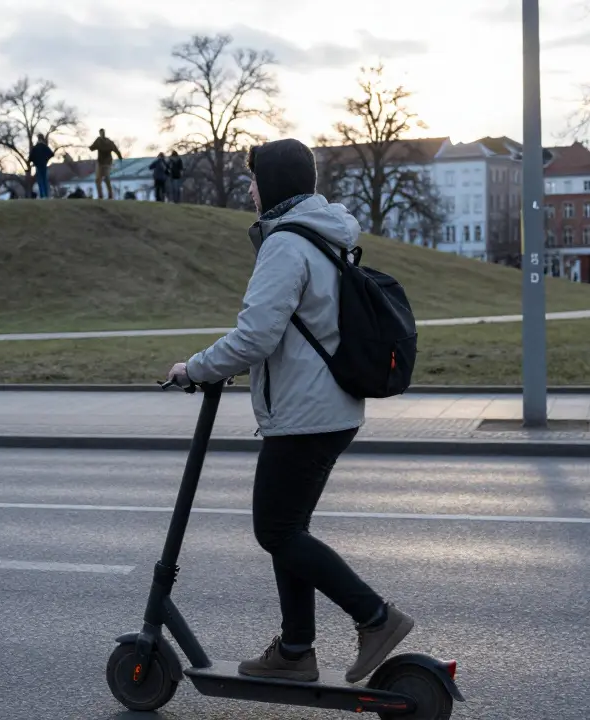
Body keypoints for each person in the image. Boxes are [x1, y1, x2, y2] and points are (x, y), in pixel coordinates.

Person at [165, 138, 411, 686]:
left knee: (276, 530)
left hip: (306, 413)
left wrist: (196, 368)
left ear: (273, 184)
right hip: (328, 406)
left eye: (254, 181)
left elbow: (255, 336)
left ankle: (375, 618)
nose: (250, 192)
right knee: (288, 530)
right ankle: (296, 650)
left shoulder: (285, 244)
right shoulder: (323, 234)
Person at [89, 129, 123, 199]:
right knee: (98, 179)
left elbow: (116, 150)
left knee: (106, 178)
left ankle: (110, 195)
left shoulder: (108, 142)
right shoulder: (99, 141)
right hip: (100, 162)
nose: (102, 134)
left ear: (104, 133)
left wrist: (120, 158)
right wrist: (91, 147)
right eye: (101, 133)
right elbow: (92, 148)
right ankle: (100, 195)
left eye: (102, 133)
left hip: (107, 162)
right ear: (100, 133)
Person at [30, 134, 55, 199]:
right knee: (45, 180)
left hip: (38, 165)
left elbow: (31, 157)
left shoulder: (35, 147)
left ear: (38, 139)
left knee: (40, 180)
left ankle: (42, 195)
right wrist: (46, 159)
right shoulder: (45, 147)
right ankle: (46, 195)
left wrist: (35, 161)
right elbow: (51, 154)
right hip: (44, 165)